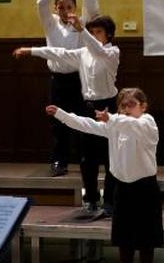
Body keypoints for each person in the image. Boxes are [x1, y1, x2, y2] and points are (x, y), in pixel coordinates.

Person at [48, 87, 163, 263]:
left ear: (143, 106)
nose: (126, 109)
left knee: (147, 236)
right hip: (122, 187)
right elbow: (87, 124)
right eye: (123, 105)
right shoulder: (115, 124)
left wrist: (112, 118)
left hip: (145, 187)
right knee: (123, 235)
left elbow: (130, 125)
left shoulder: (147, 122)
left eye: (131, 105)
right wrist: (61, 114)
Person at [14, 14, 120, 215]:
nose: (94, 35)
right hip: (87, 107)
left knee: (109, 157)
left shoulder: (112, 52)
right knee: (87, 157)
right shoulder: (82, 52)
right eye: (92, 31)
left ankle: (110, 201)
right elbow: (57, 52)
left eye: (99, 32)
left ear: (109, 35)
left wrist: (82, 30)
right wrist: (30, 51)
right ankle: (90, 199)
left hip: (108, 107)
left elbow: (98, 50)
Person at [36, 0, 100, 177]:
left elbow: (93, 10)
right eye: (61, 7)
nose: (65, 11)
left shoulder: (82, 23)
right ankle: (59, 161)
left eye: (69, 7)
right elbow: (40, 3)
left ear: (74, 8)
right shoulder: (50, 24)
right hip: (57, 80)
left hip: (80, 79)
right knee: (58, 123)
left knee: (83, 120)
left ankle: (87, 161)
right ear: (56, 9)